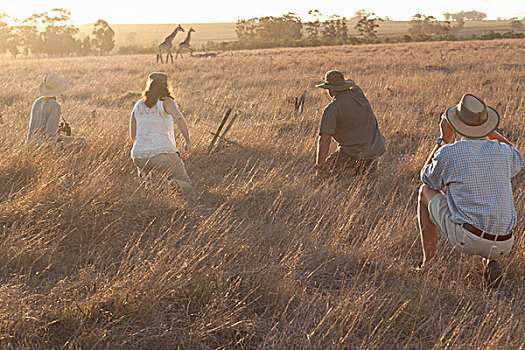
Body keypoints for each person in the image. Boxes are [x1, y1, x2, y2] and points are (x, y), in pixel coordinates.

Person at [418, 94, 523, 283]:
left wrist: (443, 139)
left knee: (424, 192)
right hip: (505, 243)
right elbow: (518, 156)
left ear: (456, 124)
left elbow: (427, 178)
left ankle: (428, 264)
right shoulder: (503, 152)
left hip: (468, 239)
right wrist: (490, 131)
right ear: (486, 124)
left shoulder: (449, 152)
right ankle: (491, 260)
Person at [315, 70, 386, 177]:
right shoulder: (358, 92)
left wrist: (319, 168)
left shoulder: (332, 109)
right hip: (375, 149)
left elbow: (324, 140)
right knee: (363, 165)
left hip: (353, 153)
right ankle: (366, 169)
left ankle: (353, 172)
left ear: (330, 90)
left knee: (328, 171)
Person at [130, 72, 193, 193]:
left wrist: (144, 148)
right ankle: (172, 185)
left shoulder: (138, 105)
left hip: (138, 155)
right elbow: (179, 119)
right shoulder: (166, 102)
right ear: (166, 85)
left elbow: (133, 135)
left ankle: (146, 178)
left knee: (147, 171)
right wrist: (188, 141)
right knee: (186, 184)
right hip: (163, 153)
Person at [26, 73, 86, 150]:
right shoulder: (55, 106)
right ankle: (61, 156)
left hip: (30, 143)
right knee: (82, 141)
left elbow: (37, 127)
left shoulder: (37, 102)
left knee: (63, 138)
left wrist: (59, 132)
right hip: (43, 147)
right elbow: (50, 135)